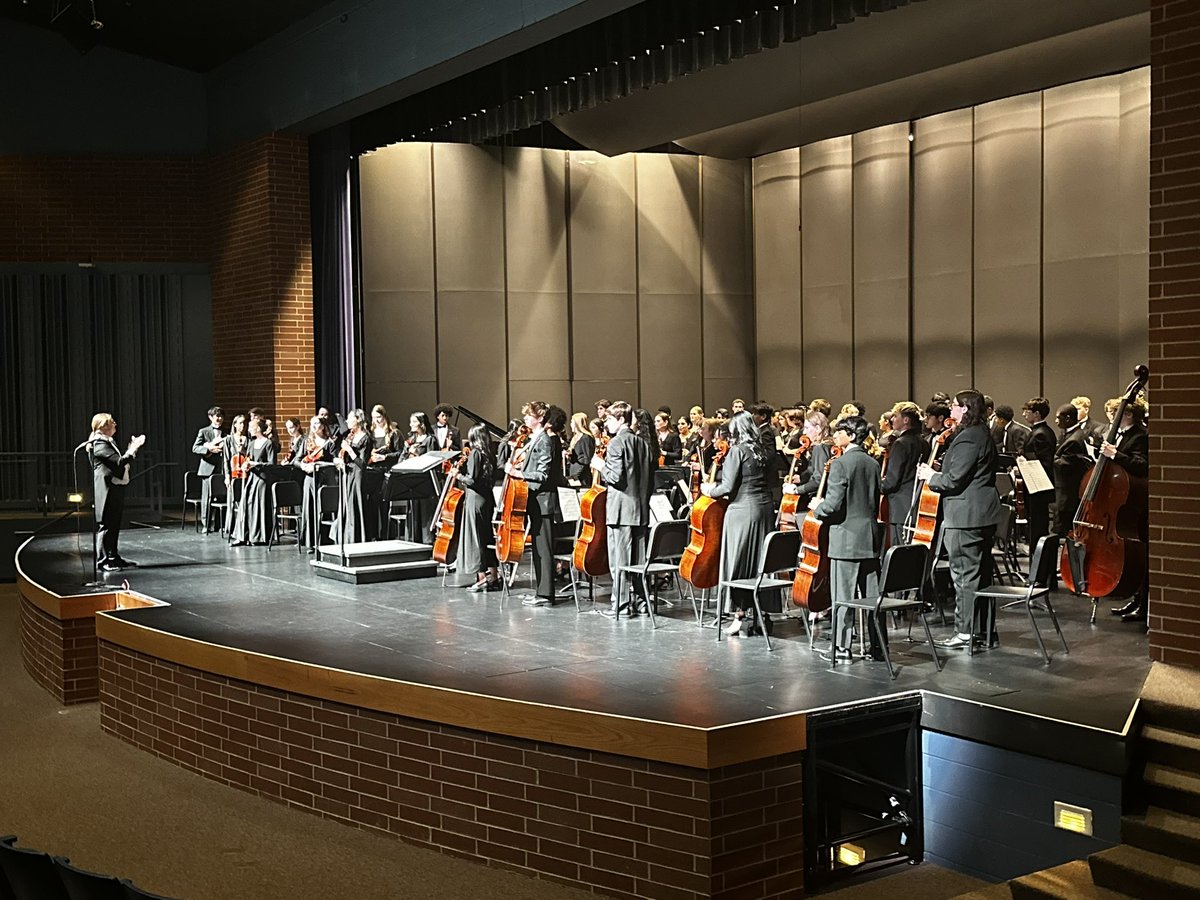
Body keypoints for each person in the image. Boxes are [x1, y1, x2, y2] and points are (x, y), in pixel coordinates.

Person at [917, 389, 1002, 650]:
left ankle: (965, 632)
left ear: (964, 409)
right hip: (979, 513)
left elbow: (954, 479)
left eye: (954, 406)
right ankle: (984, 631)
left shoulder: (967, 438)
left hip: (966, 515)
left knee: (964, 576)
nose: (950, 410)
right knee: (980, 575)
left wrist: (931, 476)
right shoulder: (982, 433)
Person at [811, 415, 883, 660]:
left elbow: (832, 506)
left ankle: (842, 648)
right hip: (870, 537)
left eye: (840, 431)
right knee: (873, 597)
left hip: (845, 539)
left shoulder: (841, 464)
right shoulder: (873, 463)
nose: (835, 435)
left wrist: (817, 506)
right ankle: (878, 646)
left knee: (843, 596)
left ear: (851, 436)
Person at [702, 411, 774, 636]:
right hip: (764, 509)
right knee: (760, 563)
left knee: (738, 562)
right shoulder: (761, 450)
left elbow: (727, 487)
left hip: (742, 512)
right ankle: (763, 615)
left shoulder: (737, 451)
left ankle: (738, 615)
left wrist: (708, 490)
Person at [594, 401, 654, 618]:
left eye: (609, 419)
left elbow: (616, 478)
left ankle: (620, 605)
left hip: (620, 511)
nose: (606, 423)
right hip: (641, 510)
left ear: (621, 419)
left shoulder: (616, 443)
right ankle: (641, 603)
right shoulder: (643, 444)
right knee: (638, 563)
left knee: (619, 562)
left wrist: (601, 467)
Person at [506, 401, 561, 606]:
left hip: (543, 501)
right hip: (535, 500)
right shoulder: (535, 439)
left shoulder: (544, 440)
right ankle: (541, 591)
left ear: (539, 418)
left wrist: (518, 473)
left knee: (543, 549)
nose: (526, 418)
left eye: (529, 415)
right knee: (538, 549)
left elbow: (543, 474)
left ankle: (546, 594)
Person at [1103, 398, 1151, 622]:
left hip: (1136, 503)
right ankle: (1137, 598)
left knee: (1143, 554)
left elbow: (1141, 465)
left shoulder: (1140, 435)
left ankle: (1144, 604)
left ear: (1128, 415)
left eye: (1116, 413)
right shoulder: (1124, 434)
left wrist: (1115, 455)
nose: (1111, 419)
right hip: (1125, 499)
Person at [89, 413, 146, 572]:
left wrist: (131, 450)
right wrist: (134, 447)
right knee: (106, 525)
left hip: (114, 487)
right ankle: (104, 560)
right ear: (102, 427)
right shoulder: (99, 444)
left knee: (114, 523)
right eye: (111, 422)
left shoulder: (108, 442)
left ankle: (113, 556)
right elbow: (119, 462)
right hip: (107, 489)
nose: (115, 424)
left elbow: (119, 463)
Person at [457, 424, 501, 593]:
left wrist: (458, 475)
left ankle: (482, 578)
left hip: (475, 500)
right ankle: (494, 576)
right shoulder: (490, 453)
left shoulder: (475, 453)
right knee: (487, 536)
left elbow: (472, 480)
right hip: (487, 499)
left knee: (476, 539)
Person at [879, 402, 927, 548]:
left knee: (900, 550)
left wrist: (875, 484)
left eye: (896, 416)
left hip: (900, 507)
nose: (892, 419)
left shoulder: (900, 444)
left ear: (906, 420)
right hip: (917, 501)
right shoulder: (924, 442)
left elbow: (892, 482)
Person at [231, 416, 277, 546]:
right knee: (245, 505)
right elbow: (248, 459)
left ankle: (258, 537)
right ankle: (243, 536)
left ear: (258, 429)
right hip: (252, 477)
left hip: (263, 478)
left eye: (251, 428)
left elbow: (272, 464)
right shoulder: (251, 444)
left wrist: (256, 464)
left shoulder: (268, 444)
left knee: (259, 506)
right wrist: (246, 464)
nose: (249, 430)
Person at [1020, 398, 1055, 551]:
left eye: (1027, 411)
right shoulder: (1039, 431)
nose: (1023, 414)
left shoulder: (1040, 434)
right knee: (1036, 522)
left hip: (1038, 486)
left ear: (1037, 414)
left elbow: (1044, 462)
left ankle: (1038, 559)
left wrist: (1024, 462)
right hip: (1036, 485)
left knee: (1038, 524)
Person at [295, 415, 333, 551]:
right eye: (312, 424)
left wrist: (320, 465)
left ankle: (324, 540)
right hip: (310, 479)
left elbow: (334, 461)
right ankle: (311, 542)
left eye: (317, 423)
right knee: (310, 509)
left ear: (323, 426)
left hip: (325, 479)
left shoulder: (330, 442)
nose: (314, 426)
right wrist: (304, 466)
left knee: (324, 509)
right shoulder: (307, 442)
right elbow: (297, 460)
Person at [1053, 403, 1091, 537]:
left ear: (1068, 419)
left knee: (1064, 528)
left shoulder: (1075, 439)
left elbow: (1065, 465)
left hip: (1068, 492)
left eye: (1059, 418)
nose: (1056, 421)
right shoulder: (1068, 434)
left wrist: (1052, 458)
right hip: (1065, 490)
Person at [334, 408, 371, 545]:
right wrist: (340, 461)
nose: (347, 421)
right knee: (346, 505)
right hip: (348, 473)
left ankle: (358, 538)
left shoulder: (366, 438)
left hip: (358, 475)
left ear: (358, 420)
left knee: (357, 504)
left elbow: (362, 464)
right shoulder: (350, 436)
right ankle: (346, 538)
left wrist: (349, 450)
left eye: (350, 419)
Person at [191, 406, 224, 533]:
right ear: (211, 417)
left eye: (221, 416)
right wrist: (208, 449)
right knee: (207, 498)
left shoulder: (225, 432)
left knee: (221, 497)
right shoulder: (204, 431)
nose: (219, 419)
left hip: (221, 468)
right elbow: (195, 448)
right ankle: (206, 524)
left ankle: (220, 525)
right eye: (217, 417)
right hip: (207, 469)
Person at [564, 412, 596, 486]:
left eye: (572, 422)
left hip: (581, 475)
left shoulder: (586, 438)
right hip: (574, 472)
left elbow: (586, 458)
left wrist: (576, 475)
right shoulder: (575, 437)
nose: (570, 424)